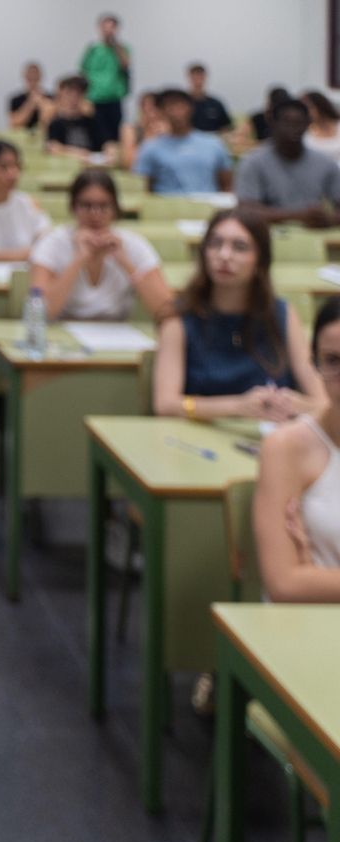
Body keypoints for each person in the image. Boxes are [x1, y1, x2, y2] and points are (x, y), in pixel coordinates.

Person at [152, 210, 325, 421]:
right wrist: (238, 406)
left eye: (240, 247)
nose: (224, 256)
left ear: (260, 261)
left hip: (271, 438)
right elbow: (165, 404)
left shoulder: (283, 314)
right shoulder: (178, 317)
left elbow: (323, 402)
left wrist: (296, 404)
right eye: (215, 244)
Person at [254, 298, 340, 601]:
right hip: (306, 629)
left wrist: (316, 575)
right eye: (332, 361)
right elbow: (284, 584)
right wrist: (304, 578)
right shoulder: (286, 447)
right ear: (314, 363)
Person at [28, 170, 173, 321]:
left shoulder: (133, 244)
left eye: (104, 206)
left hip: (116, 337)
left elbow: (165, 310)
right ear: (73, 207)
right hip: (61, 335)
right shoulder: (52, 243)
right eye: (86, 205)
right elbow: (41, 313)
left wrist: (126, 264)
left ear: (115, 209)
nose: (95, 214)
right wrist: (79, 259)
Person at [235, 98, 340, 227]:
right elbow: (246, 210)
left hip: (314, 238)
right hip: (267, 236)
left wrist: (329, 219)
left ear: (308, 124)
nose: (293, 128)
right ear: (273, 123)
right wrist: (299, 216)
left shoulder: (325, 164)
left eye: (299, 122)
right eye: (286, 122)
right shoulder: (252, 162)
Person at [133, 88, 234, 195]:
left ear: (191, 108)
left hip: (209, 206)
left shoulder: (214, 144)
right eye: (170, 107)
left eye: (180, 106)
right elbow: (143, 188)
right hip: (167, 208)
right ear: (161, 112)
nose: (176, 112)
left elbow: (227, 184)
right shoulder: (150, 147)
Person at [79, 13, 131, 144]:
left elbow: (126, 65)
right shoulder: (92, 50)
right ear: (99, 28)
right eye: (105, 27)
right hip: (94, 99)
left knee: (115, 135)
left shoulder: (123, 49)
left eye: (111, 27)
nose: (108, 31)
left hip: (114, 99)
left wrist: (115, 45)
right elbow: (82, 74)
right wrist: (84, 100)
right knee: (97, 135)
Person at [46, 75, 114, 161]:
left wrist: (110, 152)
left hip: (94, 165)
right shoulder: (56, 122)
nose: (74, 98)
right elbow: (53, 147)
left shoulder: (92, 120)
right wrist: (79, 154)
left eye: (78, 94)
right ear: (62, 94)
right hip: (67, 164)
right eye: (70, 93)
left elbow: (107, 142)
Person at [119, 92, 168, 169]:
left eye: (155, 109)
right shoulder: (131, 129)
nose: (152, 115)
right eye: (148, 110)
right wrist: (151, 137)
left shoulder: (168, 131)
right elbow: (129, 162)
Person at [8, 62, 53, 131]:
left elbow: (51, 118)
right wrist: (31, 104)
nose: (33, 77)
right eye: (30, 75)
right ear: (25, 76)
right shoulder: (15, 99)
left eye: (35, 74)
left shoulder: (50, 97)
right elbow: (14, 123)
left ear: (40, 76)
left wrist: (41, 102)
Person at [187, 63, 232, 133]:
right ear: (189, 78)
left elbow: (226, 127)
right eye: (195, 76)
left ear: (205, 77)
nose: (198, 80)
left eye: (200, 76)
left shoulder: (216, 104)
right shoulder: (182, 105)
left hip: (212, 141)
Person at [303, 90, 340, 162]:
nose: (307, 112)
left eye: (310, 107)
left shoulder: (338, 125)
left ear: (320, 106)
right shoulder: (305, 133)